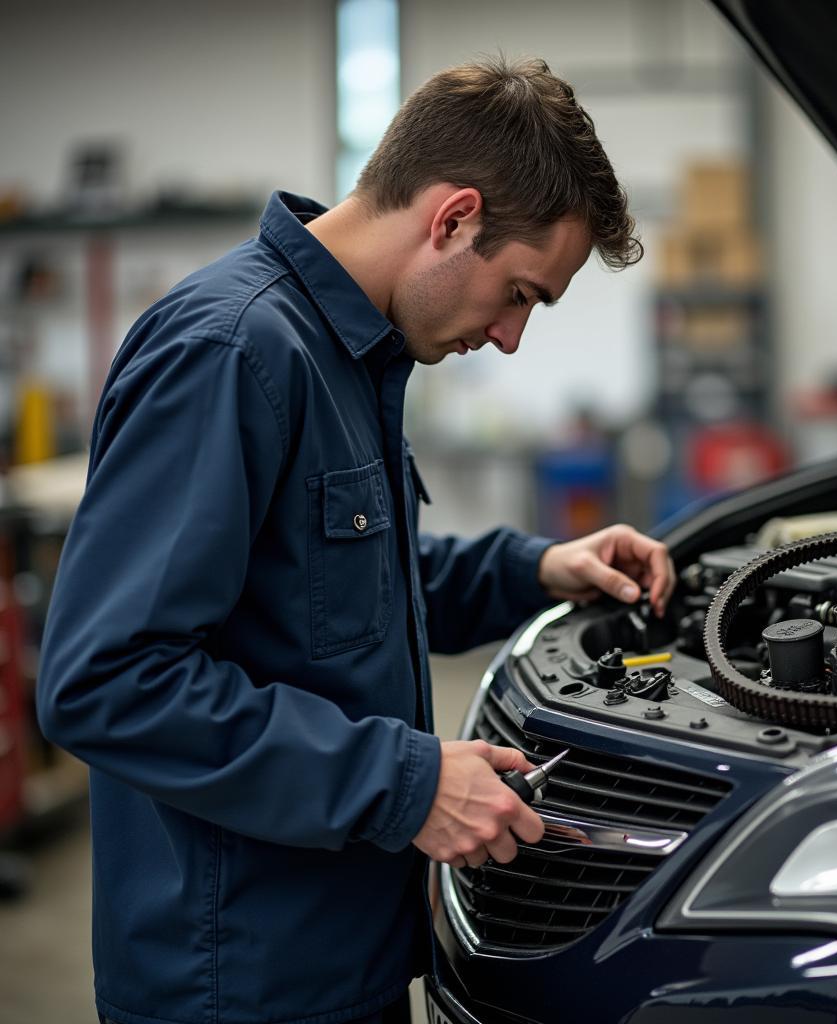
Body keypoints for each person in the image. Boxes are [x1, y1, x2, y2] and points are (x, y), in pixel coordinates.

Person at [36, 56, 676, 1024]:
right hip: (240, 982)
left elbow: (337, 589)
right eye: (520, 294)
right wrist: (405, 781)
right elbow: (107, 679)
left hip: (337, 953)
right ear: (452, 217)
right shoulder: (233, 350)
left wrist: (537, 568)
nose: (509, 338)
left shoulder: (345, 355)